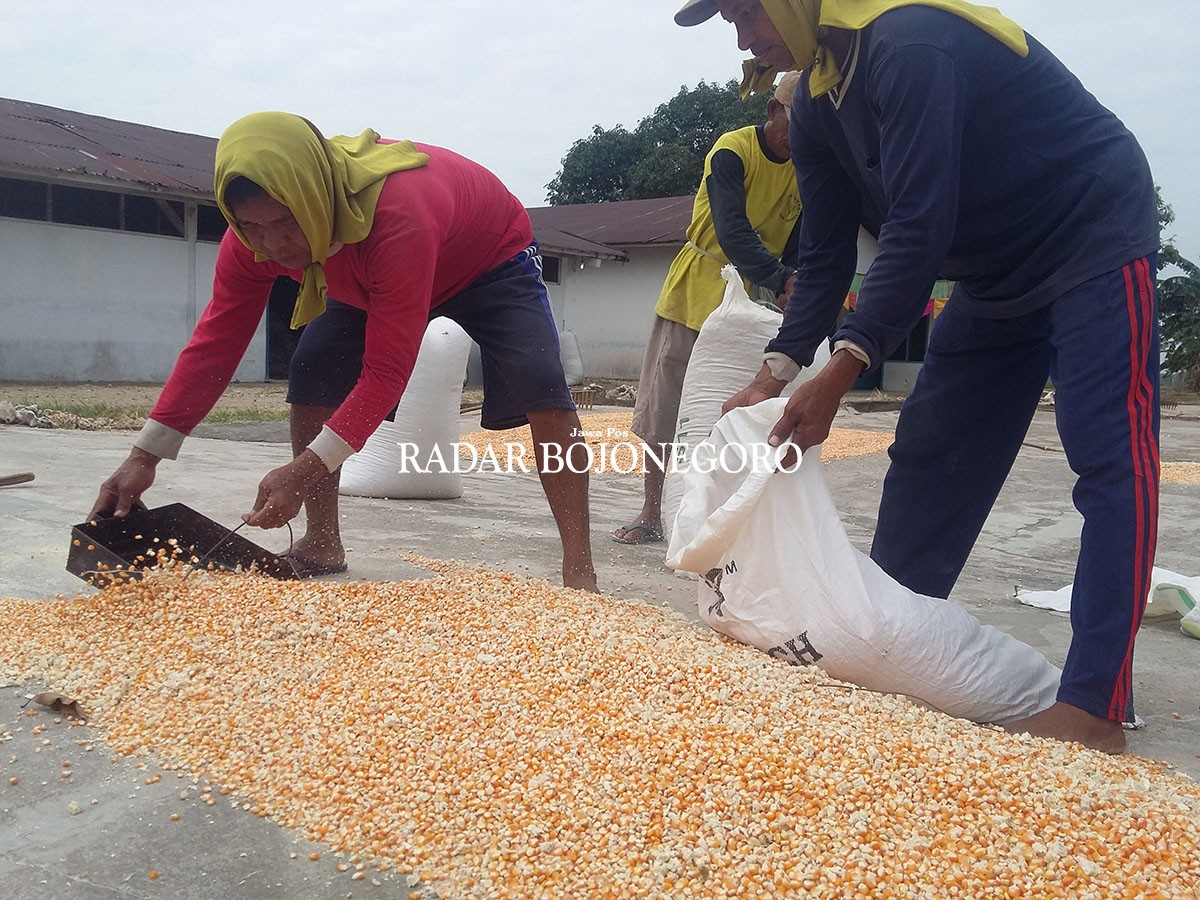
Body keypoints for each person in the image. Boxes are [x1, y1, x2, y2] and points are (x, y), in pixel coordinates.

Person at [678, 0, 1160, 753]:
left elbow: (918, 220)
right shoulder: (812, 100)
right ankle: (890, 643)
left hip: (1086, 232)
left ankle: (1096, 706)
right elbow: (829, 252)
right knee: (930, 448)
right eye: (730, 25)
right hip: (994, 274)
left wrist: (845, 366)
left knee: (1111, 460)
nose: (744, 39)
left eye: (749, 12)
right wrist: (775, 372)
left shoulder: (909, 43)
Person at [90, 112, 597, 591]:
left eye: (285, 222)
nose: (273, 243)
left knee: (541, 382)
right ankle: (323, 542)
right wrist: (144, 456)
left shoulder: (398, 217)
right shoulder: (252, 242)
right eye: (253, 226)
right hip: (359, 266)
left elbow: (386, 372)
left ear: (312, 199)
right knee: (314, 367)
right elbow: (213, 347)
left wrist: (303, 469)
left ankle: (579, 569)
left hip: (487, 256)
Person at [611, 72, 803, 545]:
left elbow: (805, 240)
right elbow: (734, 231)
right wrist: (782, 278)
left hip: (753, 308)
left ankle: (722, 519)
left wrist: (797, 287)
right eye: (793, 124)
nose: (799, 137)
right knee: (666, 409)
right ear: (772, 112)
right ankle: (652, 513)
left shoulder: (808, 167)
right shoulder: (732, 151)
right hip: (696, 293)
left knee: (740, 411)